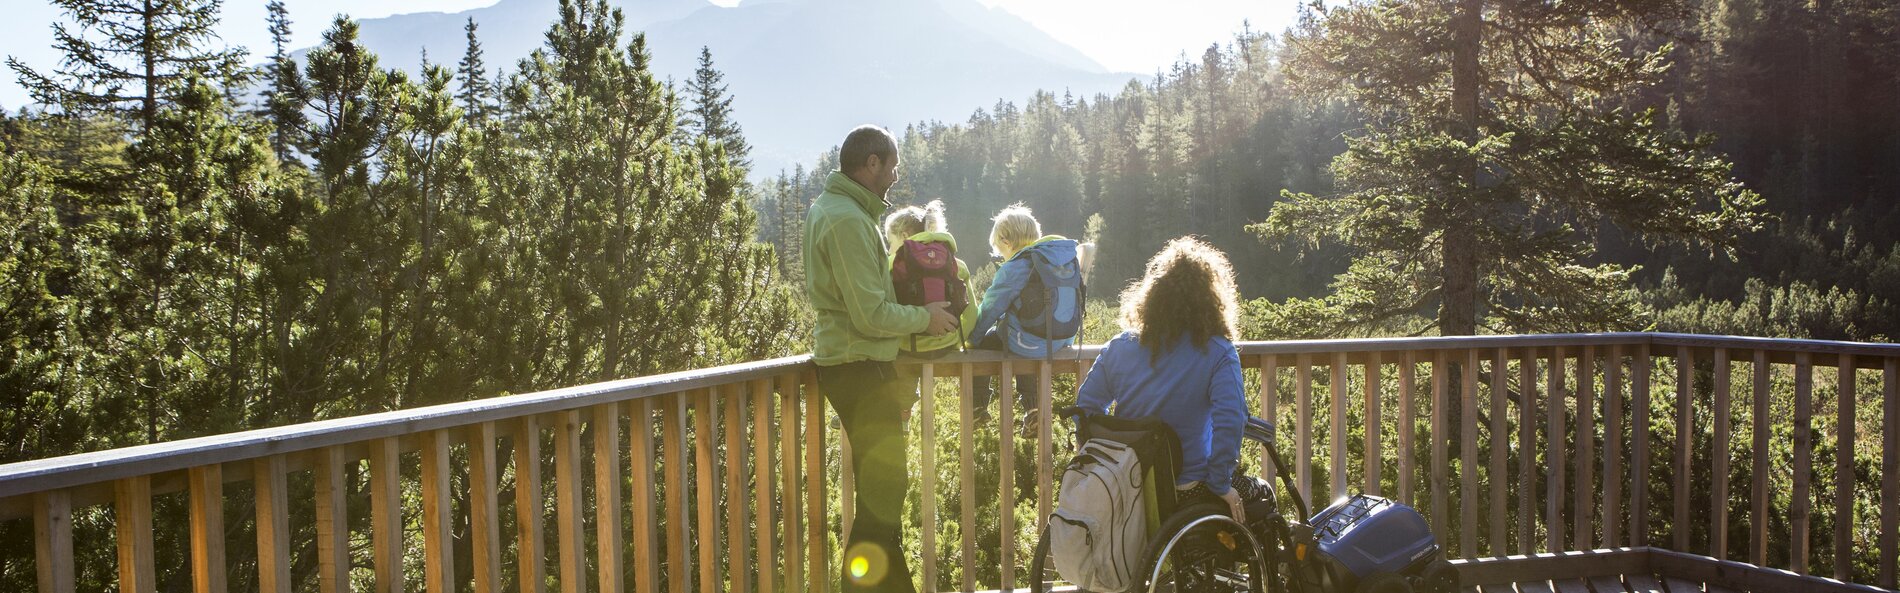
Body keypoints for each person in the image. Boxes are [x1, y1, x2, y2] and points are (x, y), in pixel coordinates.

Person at [803, 124, 957, 593]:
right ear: (871, 163)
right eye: (891, 164)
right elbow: (869, 313)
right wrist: (923, 317)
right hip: (858, 367)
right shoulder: (847, 220)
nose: (894, 174)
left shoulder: (836, 209)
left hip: (855, 365)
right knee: (884, 498)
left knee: (883, 496)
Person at [1074, 237, 1256, 523]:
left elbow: (1086, 408)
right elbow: (1231, 420)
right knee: (1262, 495)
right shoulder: (1219, 352)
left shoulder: (1120, 347)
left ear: (1152, 298)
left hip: (1125, 485)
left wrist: (1102, 461)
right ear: (1211, 300)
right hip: (1187, 488)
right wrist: (1220, 483)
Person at [967, 203, 1082, 428]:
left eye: (1000, 249)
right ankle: (1033, 409)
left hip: (1029, 342)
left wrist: (974, 339)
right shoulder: (1062, 261)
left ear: (1006, 241)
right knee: (1022, 336)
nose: (1002, 256)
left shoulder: (1017, 266)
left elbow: (991, 308)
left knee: (991, 342)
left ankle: (978, 407)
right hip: (1059, 341)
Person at [884, 199, 977, 359]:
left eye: (890, 242)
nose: (889, 249)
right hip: (945, 344)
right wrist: (955, 339)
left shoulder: (891, 264)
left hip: (906, 347)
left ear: (904, 236)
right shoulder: (955, 263)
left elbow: (882, 308)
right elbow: (972, 311)